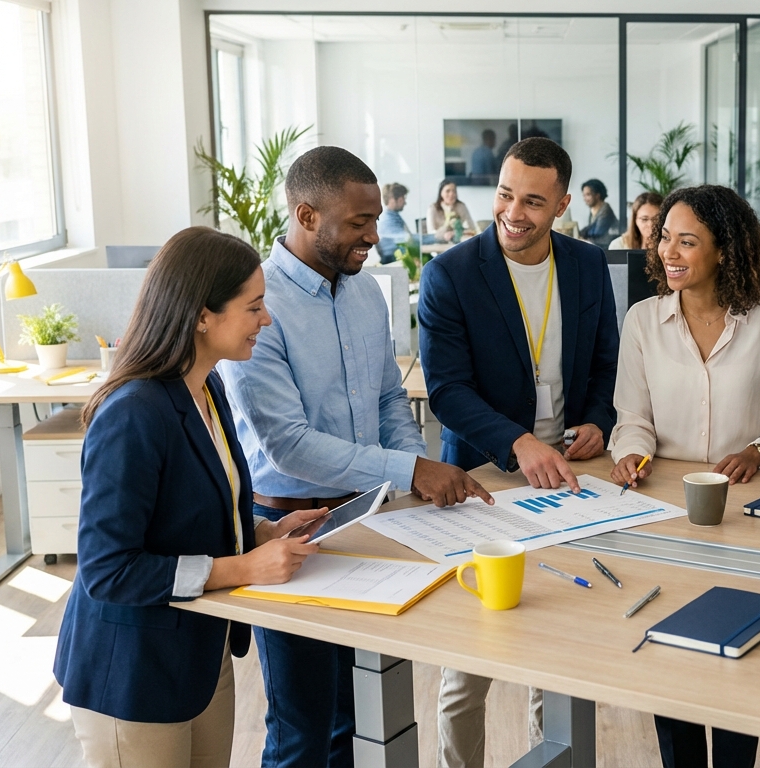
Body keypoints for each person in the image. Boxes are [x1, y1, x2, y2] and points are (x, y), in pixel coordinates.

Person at [222, 146, 492, 768]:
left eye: (375, 220)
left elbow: (389, 397)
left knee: (358, 716)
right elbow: (285, 444)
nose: (374, 235)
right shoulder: (259, 307)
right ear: (307, 215)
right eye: (358, 223)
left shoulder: (368, 293)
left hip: (367, 518)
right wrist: (411, 468)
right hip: (287, 529)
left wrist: (407, 473)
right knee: (302, 729)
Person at [54, 226, 326, 768]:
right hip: (132, 673)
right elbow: (109, 571)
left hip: (199, 653)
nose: (266, 320)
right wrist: (243, 567)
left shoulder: (206, 386)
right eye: (253, 308)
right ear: (203, 315)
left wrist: (261, 532)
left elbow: (194, 502)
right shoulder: (133, 414)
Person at [417, 136, 619, 768]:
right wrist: (518, 440)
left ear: (561, 204)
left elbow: (607, 366)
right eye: (506, 194)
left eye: (533, 201)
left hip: (569, 482)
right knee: (469, 665)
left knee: (555, 649)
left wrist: (597, 421)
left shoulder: (587, 267)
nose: (514, 212)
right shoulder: (450, 273)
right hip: (485, 480)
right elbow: (446, 391)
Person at [609, 185, 760, 768]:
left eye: (686, 241)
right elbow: (632, 417)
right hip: (665, 512)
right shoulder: (643, 320)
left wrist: (759, 449)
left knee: (735, 649)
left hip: (745, 512)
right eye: (664, 236)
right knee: (671, 651)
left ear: (724, 250)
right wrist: (632, 454)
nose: (668, 250)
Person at [427, 179, 479, 243]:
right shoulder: (433, 208)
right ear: (441, 193)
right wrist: (444, 234)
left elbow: (471, 228)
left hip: (459, 242)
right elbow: (431, 233)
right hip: (438, 243)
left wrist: (454, 233)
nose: (451, 194)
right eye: (448, 191)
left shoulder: (461, 206)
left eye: (454, 191)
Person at [376, 182, 412, 264]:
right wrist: (435, 237)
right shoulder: (387, 219)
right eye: (402, 199)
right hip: (393, 261)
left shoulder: (394, 216)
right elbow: (409, 239)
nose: (404, 202)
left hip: (398, 259)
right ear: (392, 200)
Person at [580, 178, 619, 248]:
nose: (585, 199)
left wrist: (582, 236)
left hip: (607, 248)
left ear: (597, 195)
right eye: (584, 195)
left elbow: (596, 232)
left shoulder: (605, 210)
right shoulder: (594, 211)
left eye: (588, 195)